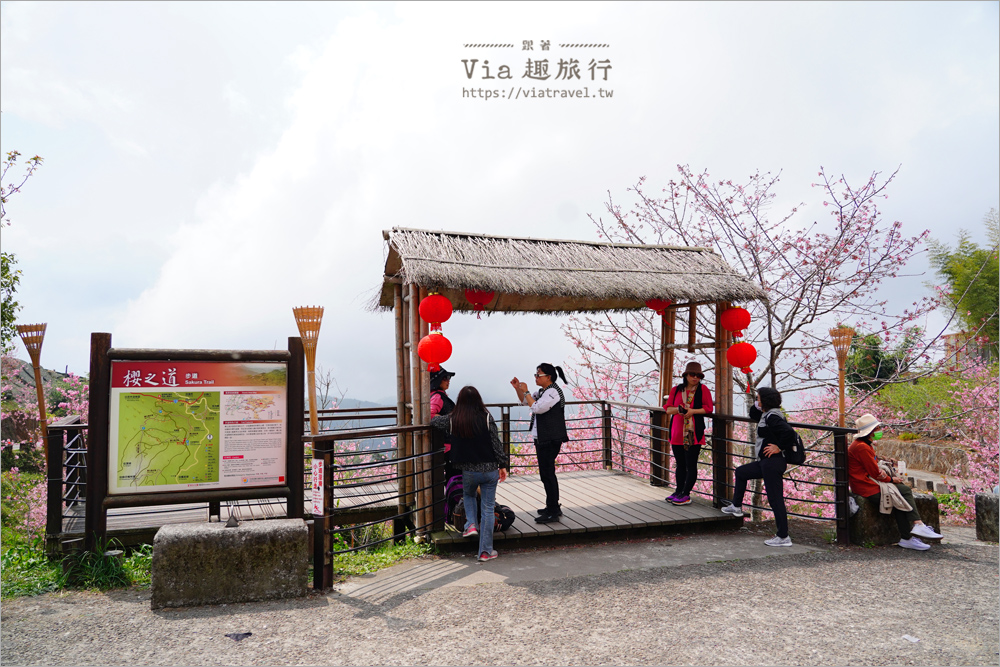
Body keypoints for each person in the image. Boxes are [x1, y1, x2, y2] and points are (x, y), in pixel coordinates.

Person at [430, 385, 508, 562]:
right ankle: (485, 552)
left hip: (469, 470)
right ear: (479, 400)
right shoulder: (487, 417)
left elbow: (433, 422)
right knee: (488, 509)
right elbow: (496, 443)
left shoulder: (454, 419)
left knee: (469, 495)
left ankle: (470, 524)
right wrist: (502, 464)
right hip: (489, 470)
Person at [847, 413, 942, 551]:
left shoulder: (862, 445)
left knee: (901, 495)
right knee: (902, 492)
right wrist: (891, 479)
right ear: (871, 432)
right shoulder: (862, 447)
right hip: (866, 487)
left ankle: (910, 534)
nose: (879, 431)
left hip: (865, 483)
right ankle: (916, 527)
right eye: (877, 429)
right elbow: (875, 473)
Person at [720, 386, 795, 547]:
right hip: (765, 462)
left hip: (773, 463)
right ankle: (737, 506)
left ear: (765, 401)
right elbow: (753, 414)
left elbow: (789, 433)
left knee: (775, 499)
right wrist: (755, 403)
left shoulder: (773, 417)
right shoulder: (765, 414)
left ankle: (783, 536)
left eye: (759, 398)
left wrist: (779, 447)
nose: (757, 400)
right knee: (741, 472)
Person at [511, 363, 570, 523]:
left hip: (550, 438)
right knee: (546, 474)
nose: (536, 377)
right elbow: (526, 401)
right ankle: (551, 505)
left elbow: (536, 408)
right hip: (543, 437)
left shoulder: (553, 392)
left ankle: (553, 510)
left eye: (538, 375)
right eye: (535, 374)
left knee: (548, 474)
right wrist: (519, 389)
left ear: (548, 377)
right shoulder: (544, 391)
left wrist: (527, 391)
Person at [662, 361, 714, 506]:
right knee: (680, 464)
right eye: (692, 374)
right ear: (686, 375)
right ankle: (678, 491)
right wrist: (679, 410)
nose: (695, 378)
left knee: (691, 464)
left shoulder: (703, 390)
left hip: (693, 432)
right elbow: (668, 408)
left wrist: (692, 411)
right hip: (677, 431)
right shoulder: (676, 390)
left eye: (698, 375)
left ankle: (686, 494)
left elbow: (708, 408)